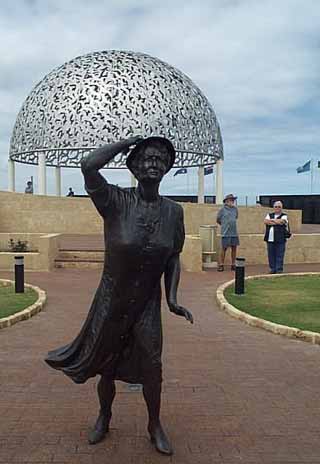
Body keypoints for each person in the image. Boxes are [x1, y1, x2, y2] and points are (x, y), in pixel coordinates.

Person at [45, 135, 193, 456]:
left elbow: (172, 257)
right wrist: (125, 143)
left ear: (167, 168)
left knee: (153, 363)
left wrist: (172, 298)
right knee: (107, 365)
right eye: (146, 159)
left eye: (159, 159)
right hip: (112, 300)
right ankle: (104, 416)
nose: (153, 163)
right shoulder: (114, 201)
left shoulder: (174, 212)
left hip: (146, 304)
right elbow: (88, 166)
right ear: (135, 167)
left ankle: (154, 425)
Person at [264, 200, 288, 274]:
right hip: (270, 239)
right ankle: (272, 269)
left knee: (280, 254)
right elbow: (265, 221)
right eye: (276, 206)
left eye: (279, 207)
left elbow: (282, 221)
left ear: (281, 208)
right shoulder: (269, 214)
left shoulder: (284, 215)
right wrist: (276, 222)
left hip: (280, 239)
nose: (277, 208)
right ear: (273, 207)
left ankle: (279, 269)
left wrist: (272, 221)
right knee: (271, 254)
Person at [216, 194, 239, 272]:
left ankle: (233, 264)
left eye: (233, 200)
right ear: (226, 201)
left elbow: (236, 217)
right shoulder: (222, 210)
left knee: (234, 248)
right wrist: (224, 225)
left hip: (234, 232)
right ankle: (221, 264)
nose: (232, 201)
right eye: (231, 200)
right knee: (224, 249)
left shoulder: (235, 209)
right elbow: (218, 219)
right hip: (225, 232)